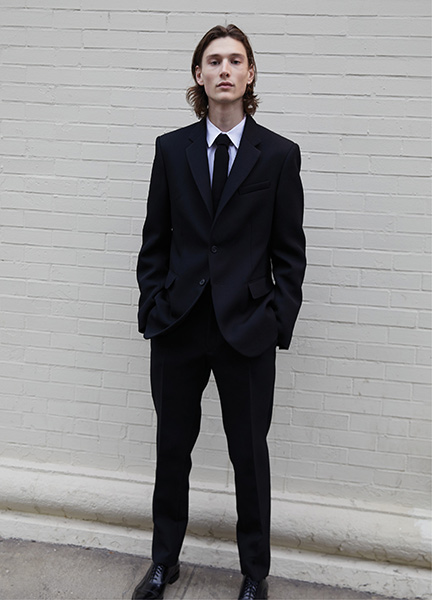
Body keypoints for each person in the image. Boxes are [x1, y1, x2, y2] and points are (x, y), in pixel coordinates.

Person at [133, 24, 306, 600]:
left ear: (250, 74)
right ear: (198, 75)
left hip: (247, 330)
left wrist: (276, 321)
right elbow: (154, 241)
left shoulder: (278, 155)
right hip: (179, 325)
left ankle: (255, 573)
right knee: (172, 451)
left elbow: (289, 253)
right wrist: (153, 306)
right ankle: (164, 562)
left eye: (235, 60)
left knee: (248, 457)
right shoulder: (171, 149)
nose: (224, 69)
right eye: (214, 60)